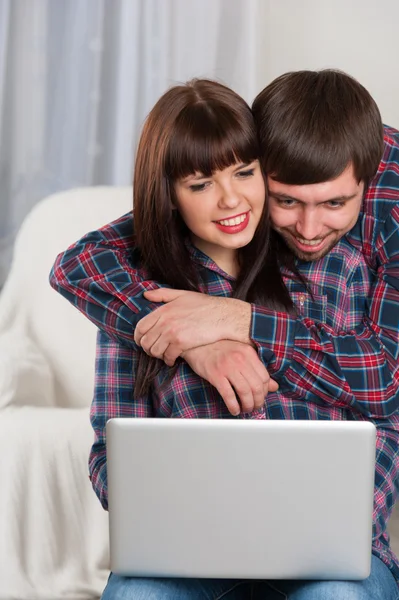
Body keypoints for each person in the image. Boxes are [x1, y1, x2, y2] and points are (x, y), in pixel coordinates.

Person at [50, 71, 399, 599]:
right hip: (188, 555)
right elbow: (110, 453)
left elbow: (386, 400)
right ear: (169, 195)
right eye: (199, 185)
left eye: (243, 173)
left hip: (327, 554)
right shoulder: (143, 295)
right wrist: (197, 345)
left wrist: (236, 324)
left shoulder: (338, 266)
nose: (230, 201)